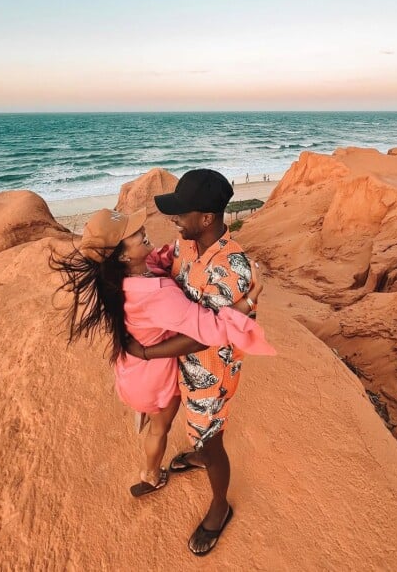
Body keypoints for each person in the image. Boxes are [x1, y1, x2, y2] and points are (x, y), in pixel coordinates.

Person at [51, 207, 273, 504]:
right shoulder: (156, 295)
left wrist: (180, 253)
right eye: (134, 234)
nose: (143, 232)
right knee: (159, 427)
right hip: (153, 375)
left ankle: (154, 471)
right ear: (122, 256)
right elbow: (209, 330)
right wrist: (249, 300)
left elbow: (160, 259)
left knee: (157, 424)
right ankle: (150, 476)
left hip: (136, 371)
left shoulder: (126, 277)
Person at [129, 169, 260, 555]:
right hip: (179, 362)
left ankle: (220, 506)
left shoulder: (231, 267)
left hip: (211, 371)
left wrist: (148, 352)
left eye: (182, 213)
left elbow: (209, 331)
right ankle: (199, 451)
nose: (174, 219)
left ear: (206, 218)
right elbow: (167, 278)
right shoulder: (186, 243)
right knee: (188, 424)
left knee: (212, 437)